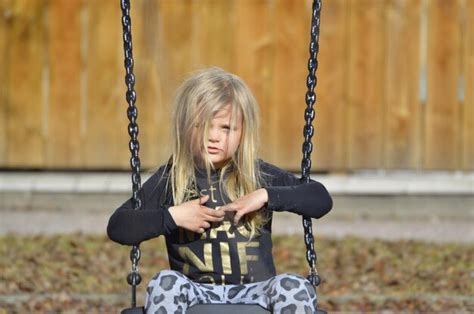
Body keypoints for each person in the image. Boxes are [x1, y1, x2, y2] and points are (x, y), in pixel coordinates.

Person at [107, 67, 333, 314]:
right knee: (164, 283)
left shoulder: (259, 176)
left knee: (294, 286)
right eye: (202, 125)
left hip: (256, 290)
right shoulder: (170, 180)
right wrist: (173, 217)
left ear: (242, 132)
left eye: (226, 128)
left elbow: (320, 199)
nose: (213, 136)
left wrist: (266, 195)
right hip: (194, 291)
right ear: (185, 127)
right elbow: (119, 226)